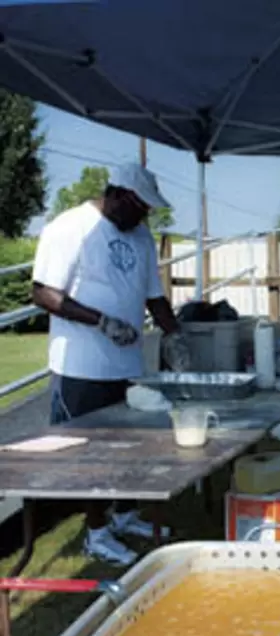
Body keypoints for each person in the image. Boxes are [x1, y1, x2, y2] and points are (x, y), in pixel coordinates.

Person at [32, 162, 191, 566]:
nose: (143, 218)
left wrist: (176, 335)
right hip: (82, 366)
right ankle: (96, 532)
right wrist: (100, 322)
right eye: (138, 208)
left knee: (133, 445)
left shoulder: (141, 236)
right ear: (117, 195)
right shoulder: (70, 228)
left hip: (127, 363)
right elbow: (44, 293)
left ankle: (124, 513)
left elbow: (154, 295)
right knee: (92, 454)